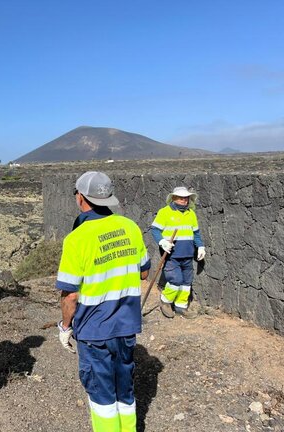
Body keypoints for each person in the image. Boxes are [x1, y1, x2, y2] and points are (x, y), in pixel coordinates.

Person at [56, 171, 150, 432]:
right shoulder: (130, 227)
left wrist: (65, 327)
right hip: (126, 325)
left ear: (81, 198)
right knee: (124, 388)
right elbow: (143, 272)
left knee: (101, 394)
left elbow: (70, 295)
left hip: (94, 329)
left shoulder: (77, 238)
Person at [151, 186, 205, 319]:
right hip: (172, 255)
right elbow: (155, 230)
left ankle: (181, 306)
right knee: (175, 280)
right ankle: (166, 302)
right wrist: (162, 242)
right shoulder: (165, 212)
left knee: (187, 282)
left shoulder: (191, 213)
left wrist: (200, 246)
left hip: (187, 254)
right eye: (181, 198)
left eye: (186, 198)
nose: (184, 200)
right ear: (174, 198)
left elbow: (196, 233)